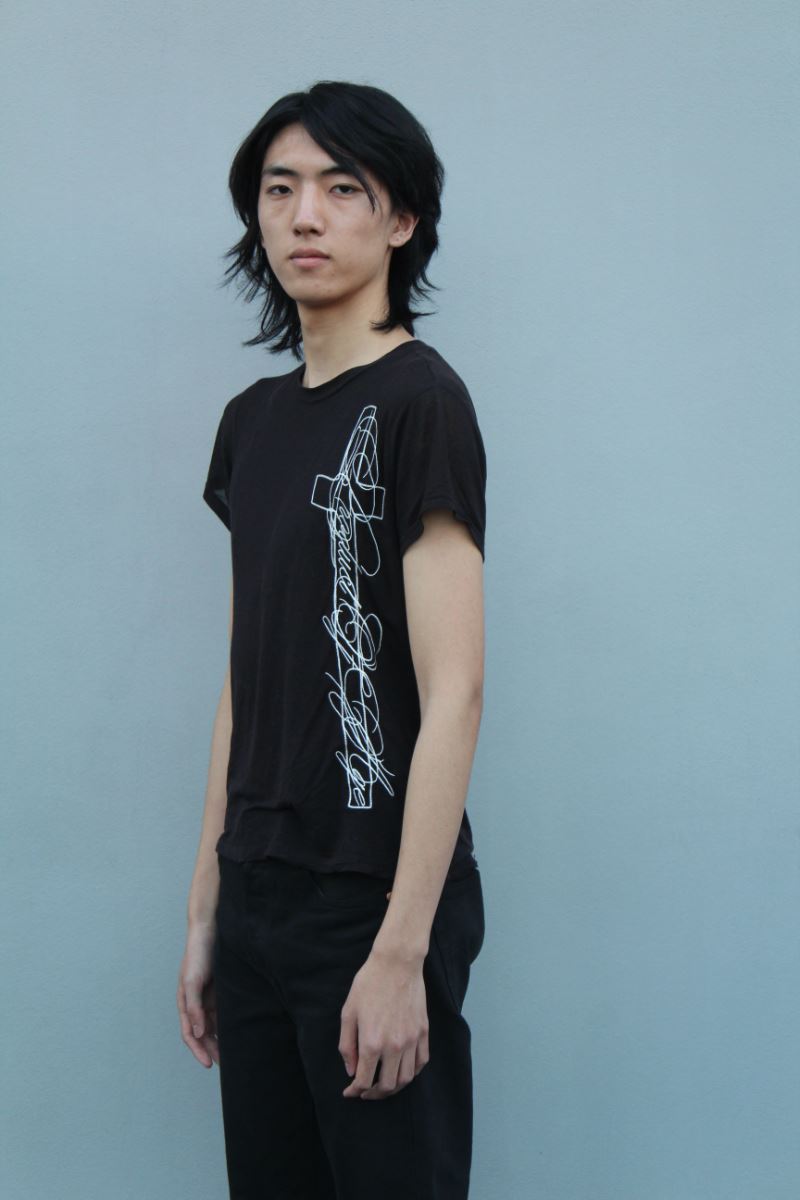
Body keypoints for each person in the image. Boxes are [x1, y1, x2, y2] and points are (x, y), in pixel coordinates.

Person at [176, 79, 488, 1199]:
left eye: (341, 188)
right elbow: (244, 683)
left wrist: (402, 948)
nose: (304, 215)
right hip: (257, 889)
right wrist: (207, 910)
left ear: (401, 219)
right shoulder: (251, 423)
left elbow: (454, 692)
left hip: (370, 897)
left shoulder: (419, 402)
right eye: (279, 189)